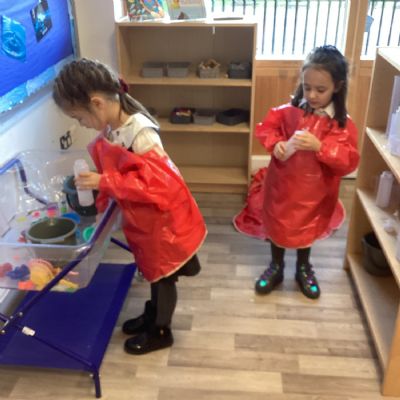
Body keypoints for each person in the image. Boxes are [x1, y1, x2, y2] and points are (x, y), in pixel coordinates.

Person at [53, 58, 207, 354]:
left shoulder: (141, 133)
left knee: (163, 277)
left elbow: (160, 184)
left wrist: (105, 181)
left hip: (164, 224)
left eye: (79, 117)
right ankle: (152, 314)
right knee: (153, 273)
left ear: (97, 103)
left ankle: (161, 330)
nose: (81, 124)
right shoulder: (114, 128)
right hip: (145, 220)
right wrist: (99, 184)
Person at [254, 45, 359, 299]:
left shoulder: (341, 123)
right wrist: (276, 143)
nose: (312, 95)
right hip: (282, 185)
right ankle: (276, 266)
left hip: (315, 193)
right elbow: (267, 128)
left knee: (306, 227)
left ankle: (303, 267)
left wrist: (321, 147)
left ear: (337, 86)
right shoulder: (289, 111)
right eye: (307, 86)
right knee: (278, 225)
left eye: (320, 90)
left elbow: (348, 160)